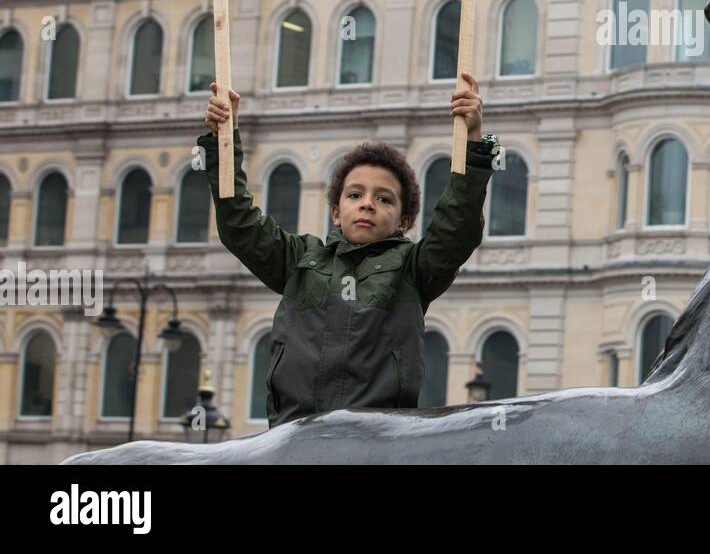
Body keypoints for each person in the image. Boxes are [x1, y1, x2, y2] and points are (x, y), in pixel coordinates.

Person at [198, 72, 497, 426]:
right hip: (295, 437)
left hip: (377, 440)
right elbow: (239, 224)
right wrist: (223, 142)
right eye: (355, 195)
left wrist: (474, 143)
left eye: (384, 199)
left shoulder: (413, 269)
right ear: (337, 212)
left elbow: (457, 227)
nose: (367, 204)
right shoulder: (300, 261)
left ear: (405, 221)